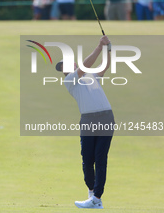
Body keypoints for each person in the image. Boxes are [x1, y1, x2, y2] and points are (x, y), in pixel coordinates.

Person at [55, 36, 114, 209]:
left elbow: (104, 67)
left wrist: (108, 49)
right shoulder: (70, 80)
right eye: (62, 67)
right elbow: (84, 67)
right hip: (88, 120)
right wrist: (99, 45)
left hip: (106, 117)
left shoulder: (90, 75)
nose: (65, 68)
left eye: (66, 64)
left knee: (100, 158)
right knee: (87, 160)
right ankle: (91, 193)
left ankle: (96, 198)